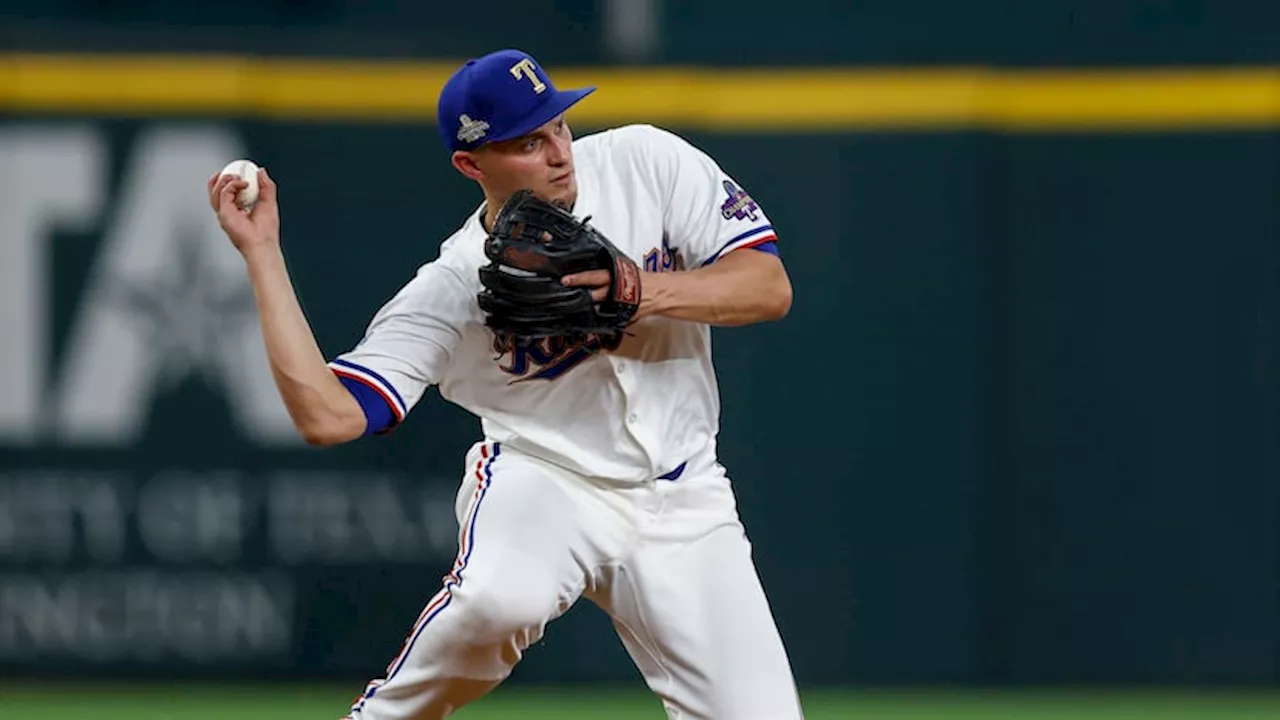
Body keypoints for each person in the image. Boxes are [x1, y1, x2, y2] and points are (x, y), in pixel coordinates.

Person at [208, 48, 802, 720]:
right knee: (499, 599)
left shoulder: (647, 162)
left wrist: (643, 289)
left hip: (684, 494)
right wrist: (261, 254)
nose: (557, 152)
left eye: (557, 125)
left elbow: (768, 286)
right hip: (547, 478)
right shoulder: (455, 287)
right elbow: (328, 415)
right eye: (526, 142)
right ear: (472, 164)